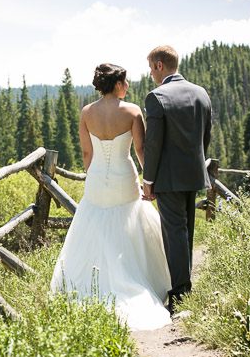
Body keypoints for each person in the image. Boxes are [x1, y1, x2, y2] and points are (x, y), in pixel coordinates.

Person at [50, 63, 172, 331]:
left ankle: (93, 284)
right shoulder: (132, 111)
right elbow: (140, 149)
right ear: (117, 84)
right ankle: (134, 278)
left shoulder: (87, 112)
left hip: (96, 178)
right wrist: (148, 181)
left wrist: (93, 175)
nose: (128, 86)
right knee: (129, 226)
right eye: (126, 81)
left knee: (95, 227)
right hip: (124, 177)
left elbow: (86, 154)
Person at [141, 45, 212, 314]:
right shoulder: (201, 93)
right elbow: (206, 137)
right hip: (194, 174)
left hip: (168, 178)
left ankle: (181, 294)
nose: (150, 73)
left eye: (150, 67)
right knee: (186, 232)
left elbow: (153, 144)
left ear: (160, 65)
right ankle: (184, 287)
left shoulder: (156, 97)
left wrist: (149, 180)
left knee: (175, 233)